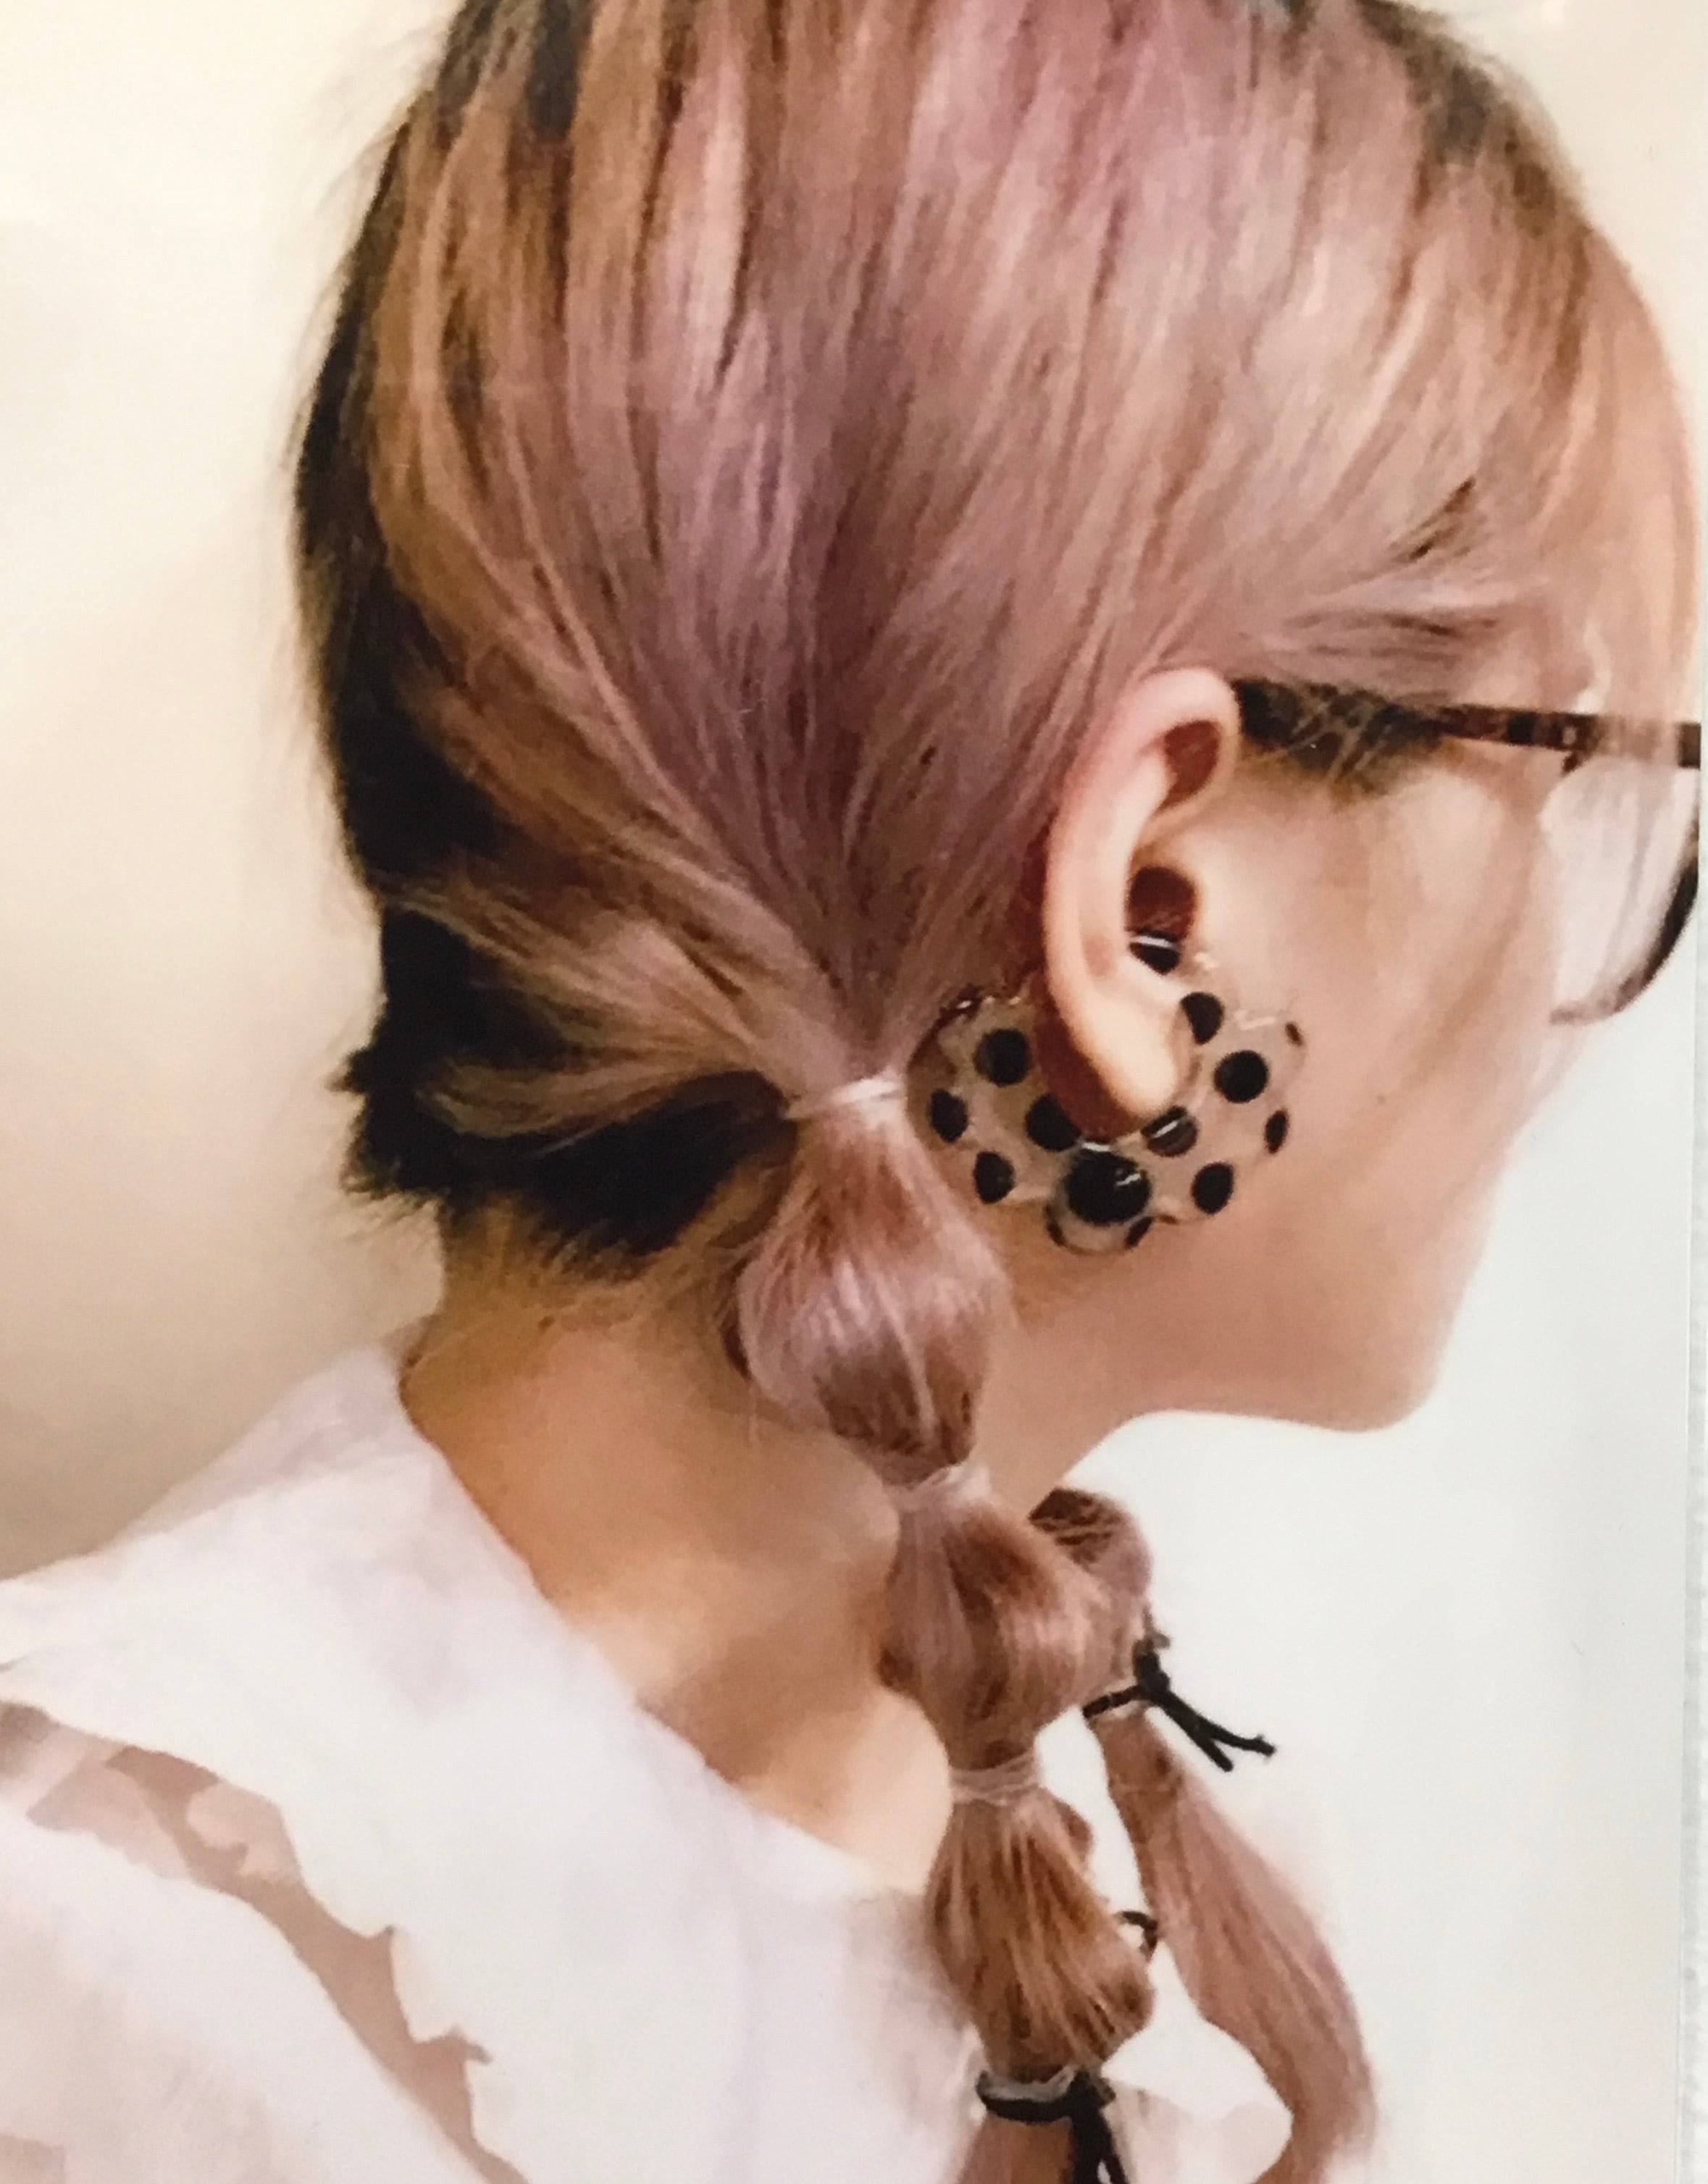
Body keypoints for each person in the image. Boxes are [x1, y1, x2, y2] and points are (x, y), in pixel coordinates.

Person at [0, 0, 1698, 2180]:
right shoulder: (116, 2002)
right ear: (1150, 918)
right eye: (1573, 782)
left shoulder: (1149, 1832)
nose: (1574, 972)